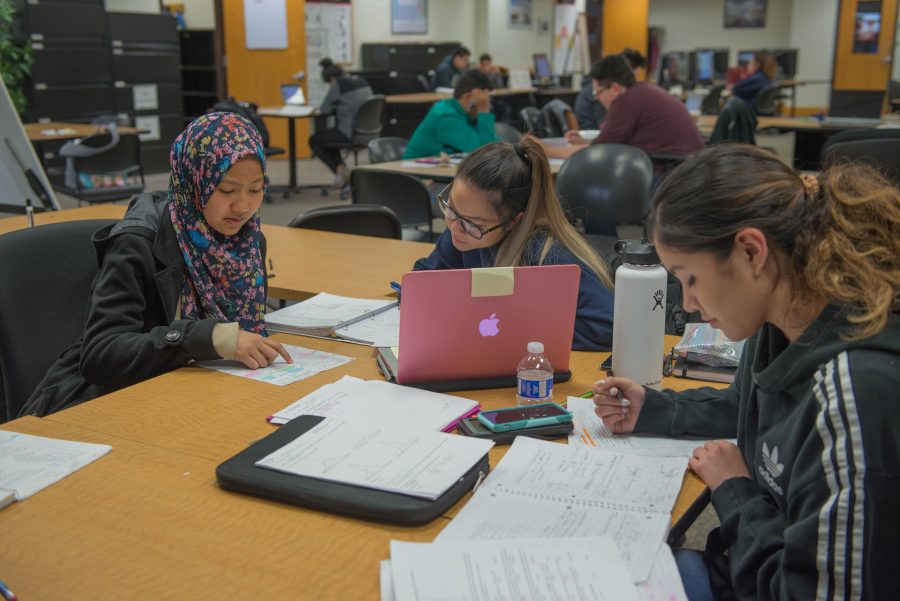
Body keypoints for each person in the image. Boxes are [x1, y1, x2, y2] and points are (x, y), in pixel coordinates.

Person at [593, 145, 900, 601]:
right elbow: (744, 406)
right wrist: (653, 408)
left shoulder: (856, 394)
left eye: (690, 279)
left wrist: (736, 491)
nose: (690, 305)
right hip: (747, 566)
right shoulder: (781, 316)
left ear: (751, 252)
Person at [21, 113, 291, 418]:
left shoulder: (246, 242)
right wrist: (209, 338)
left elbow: (245, 332)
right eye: (226, 190)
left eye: (255, 189)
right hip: (108, 404)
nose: (243, 207)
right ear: (194, 181)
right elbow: (101, 355)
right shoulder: (137, 244)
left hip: (196, 396)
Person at [413, 138, 614, 351]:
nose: (454, 228)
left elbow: (608, 326)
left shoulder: (546, 255)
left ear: (513, 222)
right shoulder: (463, 233)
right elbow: (422, 279)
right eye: (450, 209)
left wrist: (516, 329)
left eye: (474, 224)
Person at [542, 54, 705, 163]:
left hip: (671, 172)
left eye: (598, 92)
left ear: (614, 88)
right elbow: (610, 142)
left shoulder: (625, 102)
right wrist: (585, 142)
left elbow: (597, 152)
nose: (597, 98)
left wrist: (546, 150)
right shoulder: (641, 91)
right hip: (688, 168)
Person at [402, 69, 499, 159]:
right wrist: (483, 110)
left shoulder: (463, 113)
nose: (487, 104)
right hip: (416, 173)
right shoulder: (445, 115)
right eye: (483, 101)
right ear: (468, 97)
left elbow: (496, 146)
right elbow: (487, 153)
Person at [308, 58, 373, 189]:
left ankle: (339, 169)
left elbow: (324, 109)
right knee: (330, 137)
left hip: (349, 132)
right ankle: (341, 169)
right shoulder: (361, 81)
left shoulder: (339, 84)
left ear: (332, 78)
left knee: (315, 140)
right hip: (368, 132)